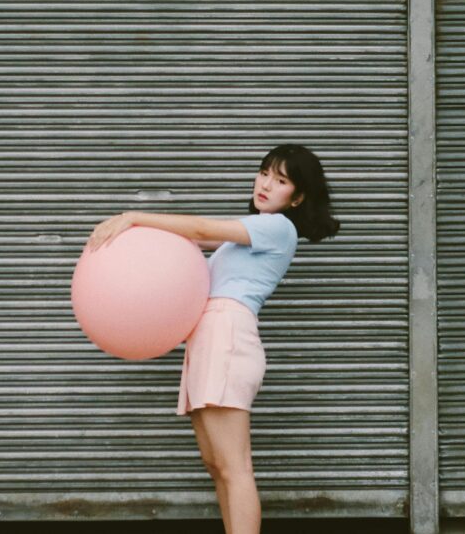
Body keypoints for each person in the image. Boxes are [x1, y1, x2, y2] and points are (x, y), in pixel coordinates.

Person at [85, 144, 340, 534]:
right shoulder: (243, 236)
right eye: (264, 173)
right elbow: (188, 243)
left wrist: (132, 216)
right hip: (208, 337)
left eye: (281, 180)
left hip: (227, 334)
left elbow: (201, 230)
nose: (266, 184)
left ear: (298, 197)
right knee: (216, 464)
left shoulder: (276, 227)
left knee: (234, 467)